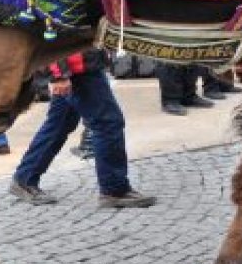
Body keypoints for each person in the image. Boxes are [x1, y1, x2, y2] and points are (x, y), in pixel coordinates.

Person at [10, 48, 156, 208]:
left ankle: (25, 178)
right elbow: (51, 31)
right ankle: (114, 190)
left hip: (79, 65)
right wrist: (57, 76)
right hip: (77, 69)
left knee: (60, 124)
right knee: (108, 123)